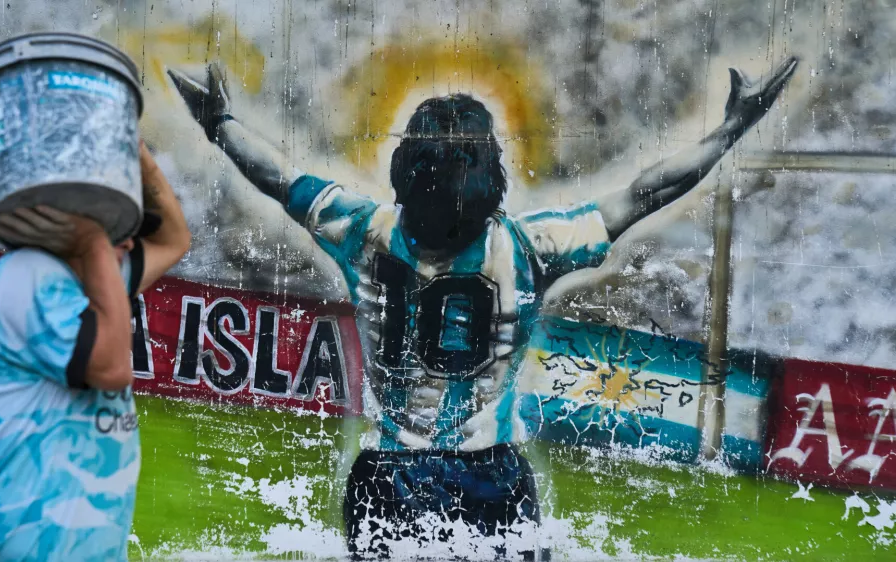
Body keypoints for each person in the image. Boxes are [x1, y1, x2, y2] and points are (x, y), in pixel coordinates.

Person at [169, 56, 796, 558]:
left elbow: (278, 177)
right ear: (488, 171)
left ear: (405, 166)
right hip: (489, 479)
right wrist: (732, 128)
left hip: (388, 476)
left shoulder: (360, 229)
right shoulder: (529, 247)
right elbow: (647, 191)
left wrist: (218, 124)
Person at [0, 140, 190, 561]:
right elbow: (110, 368)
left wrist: (139, 157)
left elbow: (174, 240)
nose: (129, 245)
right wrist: (94, 242)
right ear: (80, 230)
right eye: (119, 232)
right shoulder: (26, 277)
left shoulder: (90, 283)